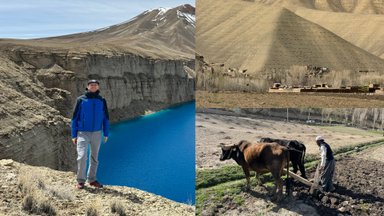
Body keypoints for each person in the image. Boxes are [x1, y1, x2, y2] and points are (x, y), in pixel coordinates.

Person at [71, 79, 110, 189]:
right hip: (82, 133)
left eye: (95, 85)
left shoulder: (102, 100)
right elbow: (74, 118)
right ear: (87, 87)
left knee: (94, 158)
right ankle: (80, 181)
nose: (93, 86)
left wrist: (106, 133)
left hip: (97, 133)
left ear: (98, 87)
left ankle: (92, 180)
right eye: (91, 85)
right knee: (82, 157)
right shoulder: (81, 100)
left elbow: (106, 118)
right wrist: (74, 135)